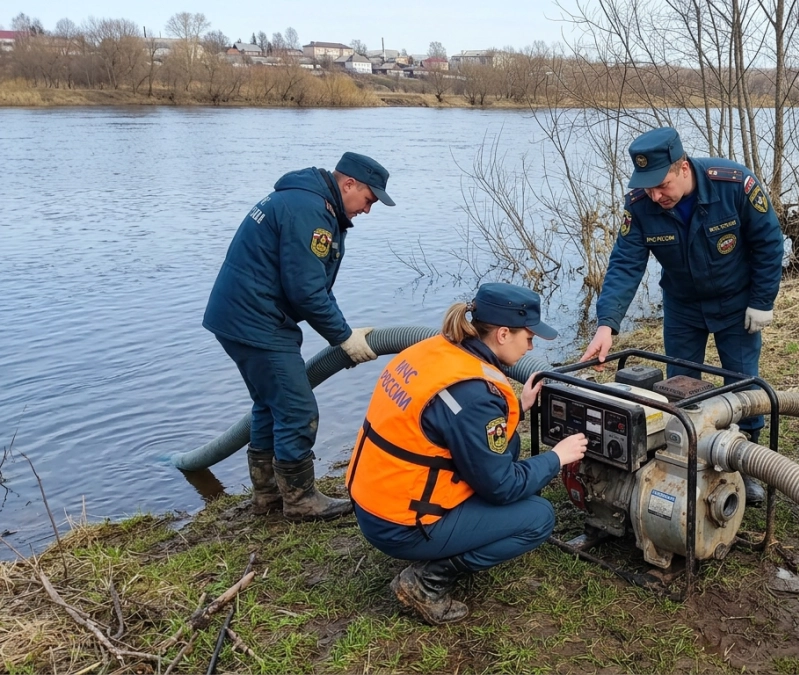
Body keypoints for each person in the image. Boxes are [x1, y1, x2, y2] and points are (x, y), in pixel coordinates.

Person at [346, 283, 589, 625]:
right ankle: (427, 581)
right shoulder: (473, 395)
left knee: (510, 451)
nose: (531, 346)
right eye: (529, 338)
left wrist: (518, 406)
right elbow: (501, 486)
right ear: (503, 334)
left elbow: (456, 424)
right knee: (539, 517)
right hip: (400, 525)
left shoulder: (435, 351)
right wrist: (557, 457)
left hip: (374, 500)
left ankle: (437, 549)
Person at [581, 127, 785, 505]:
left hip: (736, 304)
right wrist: (607, 323)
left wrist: (762, 300)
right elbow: (625, 263)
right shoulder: (641, 204)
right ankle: (686, 462)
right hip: (683, 306)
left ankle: (748, 465)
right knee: (679, 388)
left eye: (662, 185)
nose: (656, 196)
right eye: (648, 187)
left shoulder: (734, 185)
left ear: (682, 167)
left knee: (744, 384)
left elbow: (769, 241)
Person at [204, 152, 394, 521]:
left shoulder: (304, 200)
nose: (368, 210)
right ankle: (300, 500)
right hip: (256, 322)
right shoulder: (311, 212)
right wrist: (344, 338)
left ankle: (269, 496)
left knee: (270, 405)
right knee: (296, 409)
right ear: (348, 184)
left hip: (238, 317)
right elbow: (306, 291)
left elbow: (315, 284)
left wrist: (343, 330)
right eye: (369, 200)